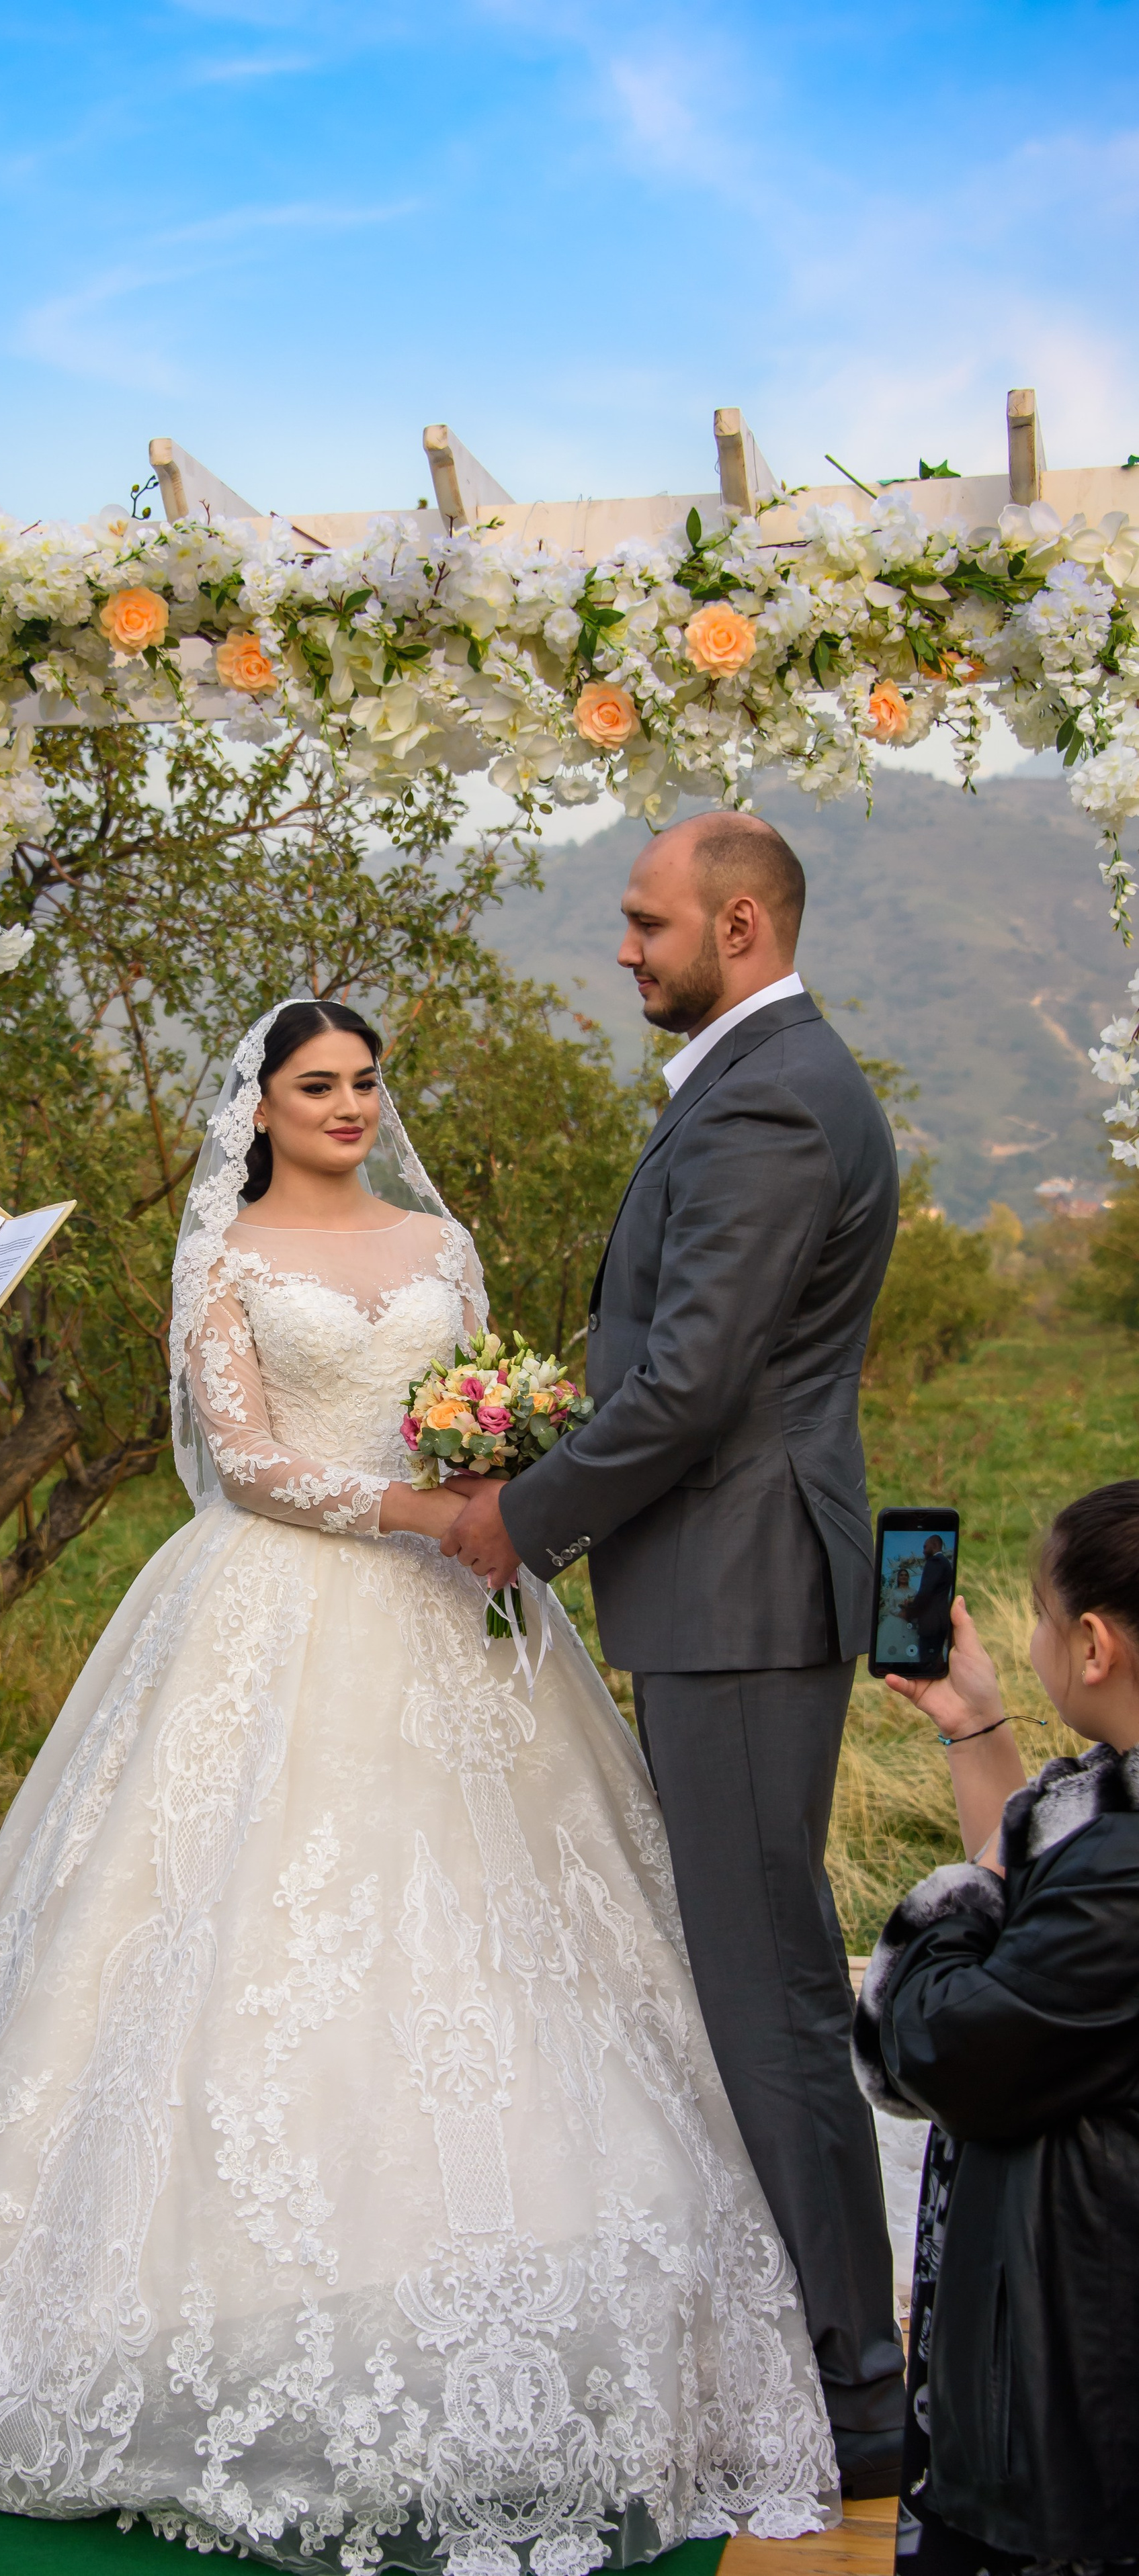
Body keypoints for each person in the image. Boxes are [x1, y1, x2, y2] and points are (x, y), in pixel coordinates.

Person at [0, 997, 837, 2569]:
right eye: (316, 1084)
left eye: (365, 1082)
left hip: (456, 1611)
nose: (348, 1106)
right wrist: (407, 1504)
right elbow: (241, 1456)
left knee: (505, 1941)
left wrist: (488, 1470)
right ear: (258, 1104)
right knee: (227, 1936)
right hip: (278, 1596)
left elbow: (489, 1399)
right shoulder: (227, 1249)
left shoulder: (437, 1249)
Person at [445, 811, 906, 2495]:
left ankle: (851, 2384)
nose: (622, 948)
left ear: (736, 920)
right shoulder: (755, 1074)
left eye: (643, 922)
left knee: (765, 1982)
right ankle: (823, 2344)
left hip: (736, 1586)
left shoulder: (775, 1091)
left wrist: (526, 1512)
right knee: (754, 1964)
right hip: (724, 1580)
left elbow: (696, 1376)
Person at [854, 1482, 1139, 2572]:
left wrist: (960, 1890)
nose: (1029, 1637)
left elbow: (927, 2044)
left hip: (1077, 2397)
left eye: (1038, 1610)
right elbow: (1050, 1928)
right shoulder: (1107, 1810)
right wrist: (975, 1728)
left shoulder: (1120, 1870)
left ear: (1094, 1646)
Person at [901, 1535, 953, 1665]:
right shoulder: (945, 1563)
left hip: (931, 1623)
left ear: (935, 1545)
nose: (923, 1551)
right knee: (936, 1659)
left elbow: (926, 1592)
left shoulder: (935, 1562)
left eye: (925, 1547)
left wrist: (910, 1612)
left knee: (927, 1663)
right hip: (940, 1621)